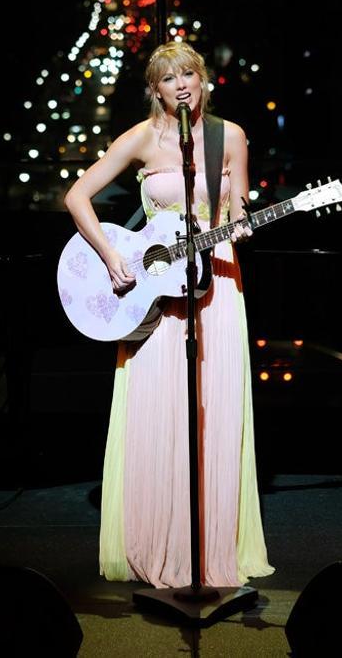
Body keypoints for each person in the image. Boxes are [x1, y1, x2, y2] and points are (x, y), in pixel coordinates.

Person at [63, 41, 274, 589]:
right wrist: (113, 258)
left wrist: (243, 219)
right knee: (158, 410)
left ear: (204, 81)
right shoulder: (139, 137)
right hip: (153, 290)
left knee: (214, 412)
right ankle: (157, 540)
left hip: (218, 286)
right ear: (155, 89)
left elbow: (240, 203)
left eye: (190, 75)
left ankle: (207, 548)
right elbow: (77, 196)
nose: (182, 85)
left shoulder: (229, 137)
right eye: (169, 78)